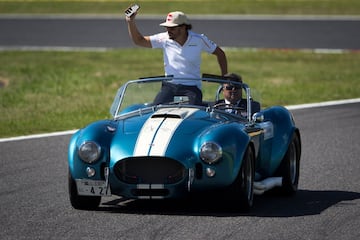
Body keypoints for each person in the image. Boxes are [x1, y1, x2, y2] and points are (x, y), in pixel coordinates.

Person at [126, 10, 228, 105]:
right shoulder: (164, 38)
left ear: (183, 27)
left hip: (191, 88)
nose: (168, 30)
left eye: (172, 28)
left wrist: (224, 79)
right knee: (155, 110)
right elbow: (139, 40)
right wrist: (130, 22)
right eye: (167, 27)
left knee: (192, 113)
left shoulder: (199, 39)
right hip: (169, 87)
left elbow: (220, 54)